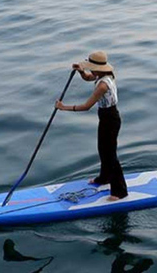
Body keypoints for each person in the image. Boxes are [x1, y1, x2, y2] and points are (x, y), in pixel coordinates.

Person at [55, 51, 128, 201]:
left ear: (98, 68)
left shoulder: (102, 85)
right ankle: (104, 178)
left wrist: (64, 107)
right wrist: (82, 71)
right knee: (103, 149)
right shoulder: (105, 74)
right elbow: (89, 77)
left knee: (110, 154)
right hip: (105, 117)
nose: (90, 70)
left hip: (111, 118)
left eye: (91, 67)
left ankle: (120, 192)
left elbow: (86, 106)